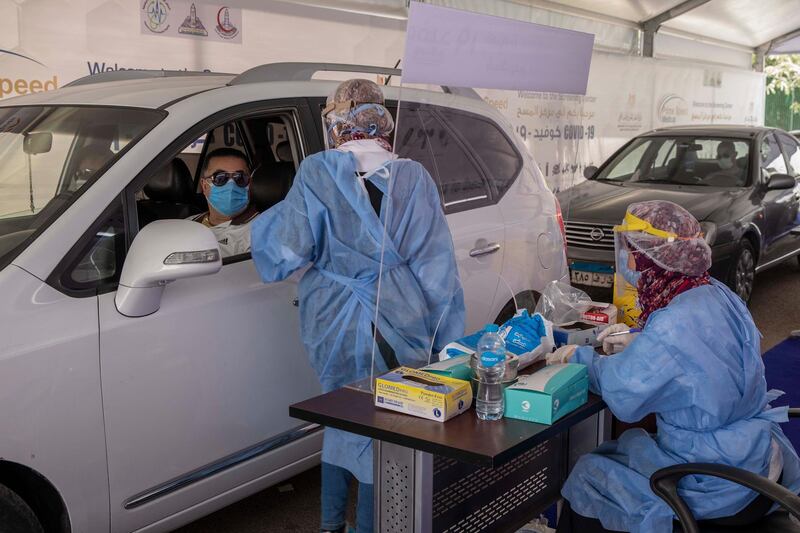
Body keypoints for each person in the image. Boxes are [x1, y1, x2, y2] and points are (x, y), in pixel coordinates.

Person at [250, 79, 465, 533]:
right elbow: (437, 270)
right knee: (384, 428)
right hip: (402, 317)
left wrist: (260, 225)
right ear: (381, 118)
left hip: (334, 320)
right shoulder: (414, 177)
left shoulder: (317, 172)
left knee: (343, 418)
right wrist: (446, 345)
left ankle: (333, 525)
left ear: (334, 123)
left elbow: (285, 253)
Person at [548, 200, 800, 533]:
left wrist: (576, 358)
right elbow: (704, 353)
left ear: (647, 255)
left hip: (715, 476)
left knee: (590, 474)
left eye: (630, 246)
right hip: (756, 455)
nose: (625, 255)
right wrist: (641, 338)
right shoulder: (717, 293)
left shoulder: (672, 327)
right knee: (621, 452)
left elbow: (624, 394)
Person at [190, 147, 258, 257]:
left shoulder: (261, 230)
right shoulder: (188, 223)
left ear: (249, 184)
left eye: (240, 178)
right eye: (220, 178)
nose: (231, 186)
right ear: (204, 185)